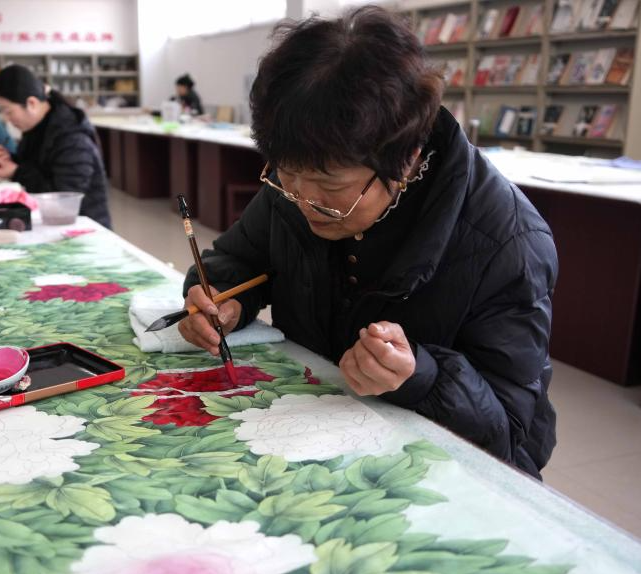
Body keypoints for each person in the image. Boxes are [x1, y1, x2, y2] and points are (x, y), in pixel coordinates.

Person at [178, 6, 558, 478]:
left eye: (331, 188)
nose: (302, 200)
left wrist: (421, 375)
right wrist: (221, 296)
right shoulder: (301, 178)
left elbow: (511, 434)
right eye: (286, 174)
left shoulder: (508, 242)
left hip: (432, 472)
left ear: (407, 160)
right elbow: (239, 258)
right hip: (311, 440)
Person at [0, 65, 111, 228]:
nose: (6, 118)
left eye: (8, 111)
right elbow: (38, 167)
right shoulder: (37, 127)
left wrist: (16, 171)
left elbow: (63, 198)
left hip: (83, 227)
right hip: (52, 222)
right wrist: (10, 160)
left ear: (31, 103)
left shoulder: (71, 137)